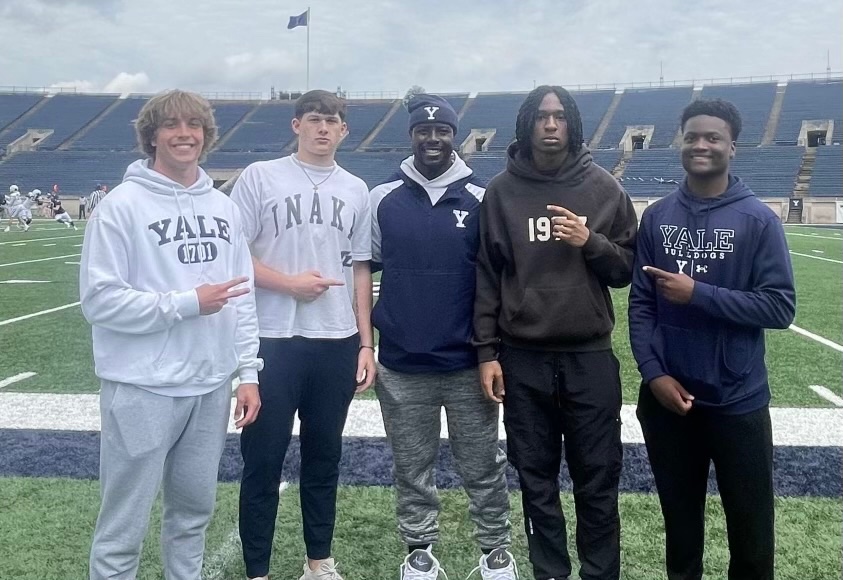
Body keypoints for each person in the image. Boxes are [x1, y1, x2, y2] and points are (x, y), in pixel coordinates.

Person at [81, 89, 263, 580]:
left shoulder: (223, 208)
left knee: (192, 518)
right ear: (152, 136)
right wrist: (187, 304)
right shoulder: (121, 206)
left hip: (209, 387)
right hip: (142, 387)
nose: (184, 134)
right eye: (171, 125)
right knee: (123, 527)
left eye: (194, 125)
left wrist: (248, 371)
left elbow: (242, 296)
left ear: (206, 135)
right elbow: (99, 301)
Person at [473, 85, 638, 580]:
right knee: (535, 479)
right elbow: (487, 275)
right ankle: (549, 571)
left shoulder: (604, 187)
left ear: (573, 124)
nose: (550, 124)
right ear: (527, 123)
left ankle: (599, 573)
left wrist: (591, 242)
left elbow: (626, 268)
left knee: (597, 477)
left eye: (560, 116)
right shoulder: (501, 191)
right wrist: (486, 352)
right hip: (522, 358)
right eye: (542, 116)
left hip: (589, 356)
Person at [629, 98, 796, 580]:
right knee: (681, 531)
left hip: (737, 401)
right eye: (693, 136)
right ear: (681, 141)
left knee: (751, 533)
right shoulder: (658, 216)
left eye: (713, 137)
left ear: (732, 148)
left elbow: (779, 307)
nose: (701, 145)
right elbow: (641, 305)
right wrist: (654, 374)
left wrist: (697, 293)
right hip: (668, 400)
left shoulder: (758, 220)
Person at [230, 89, 376, 580]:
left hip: (335, 342)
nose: (322, 128)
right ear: (296, 125)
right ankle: (257, 570)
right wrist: (289, 284)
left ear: (344, 130)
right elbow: (235, 258)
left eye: (332, 121)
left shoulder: (356, 188)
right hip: (273, 339)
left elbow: (360, 269)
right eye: (314, 119)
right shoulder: (260, 177)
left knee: (323, 459)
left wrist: (365, 342)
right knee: (263, 462)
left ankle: (319, 561)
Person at [370, 94, 516, 580]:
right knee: (412, 467)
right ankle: (419, 550)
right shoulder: (382, 196)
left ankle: (495, 550)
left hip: (466, 362)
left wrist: (491, 350)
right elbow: (365, 267)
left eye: (442, 132)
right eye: (423, 131)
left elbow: (497, 277)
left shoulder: (482, 195)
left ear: (455, 136)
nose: (433, 139)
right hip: (402, 363)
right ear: (411, 134)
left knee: (482, 465)